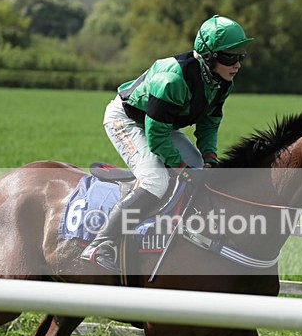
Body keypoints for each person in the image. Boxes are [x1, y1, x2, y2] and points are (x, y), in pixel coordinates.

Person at [81, 15, 254, 271]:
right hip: (127, 121)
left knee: (199, 172)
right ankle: (101, 243)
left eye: (241, 56)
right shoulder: (173, 79)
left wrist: (209, 158)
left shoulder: (221, 81)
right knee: (156, 180)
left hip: (161, 123)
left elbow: (209, 123)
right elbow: (156, 137)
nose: (237, 64)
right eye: (229, 57)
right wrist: (179, 167)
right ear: (208, 56)